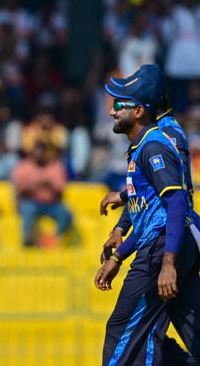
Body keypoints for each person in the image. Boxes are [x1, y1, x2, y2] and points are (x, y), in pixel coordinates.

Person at [94, 69, 200, 365]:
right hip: (165, 240)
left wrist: (168, 260)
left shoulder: (161, 139)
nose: (112, 110)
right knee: (180, 330)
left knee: (126, 329)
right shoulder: (144, 143)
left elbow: (177, 200)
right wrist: (119, 249)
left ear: (140, 110)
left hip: (170, 241)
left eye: (119, 105)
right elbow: (152, 202)